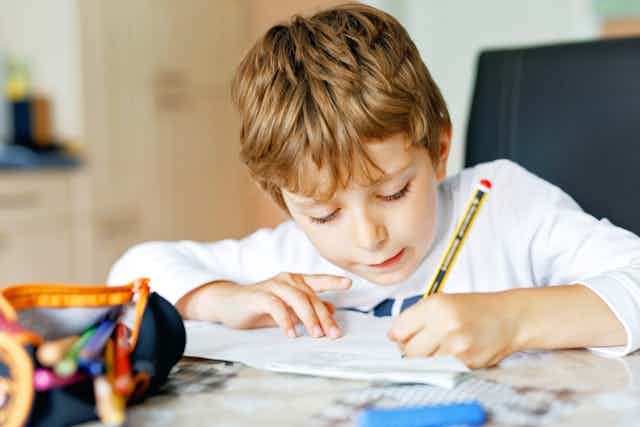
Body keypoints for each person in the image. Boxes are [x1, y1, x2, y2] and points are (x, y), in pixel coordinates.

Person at [108, 3, 640, 368]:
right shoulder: (294, 260)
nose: (368, 237)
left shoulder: (503, 205)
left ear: (436, 151)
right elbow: (132, 270)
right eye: (323, 214)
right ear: (284, 201)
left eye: (392, 193)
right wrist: (221, 300)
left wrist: (510, 320)